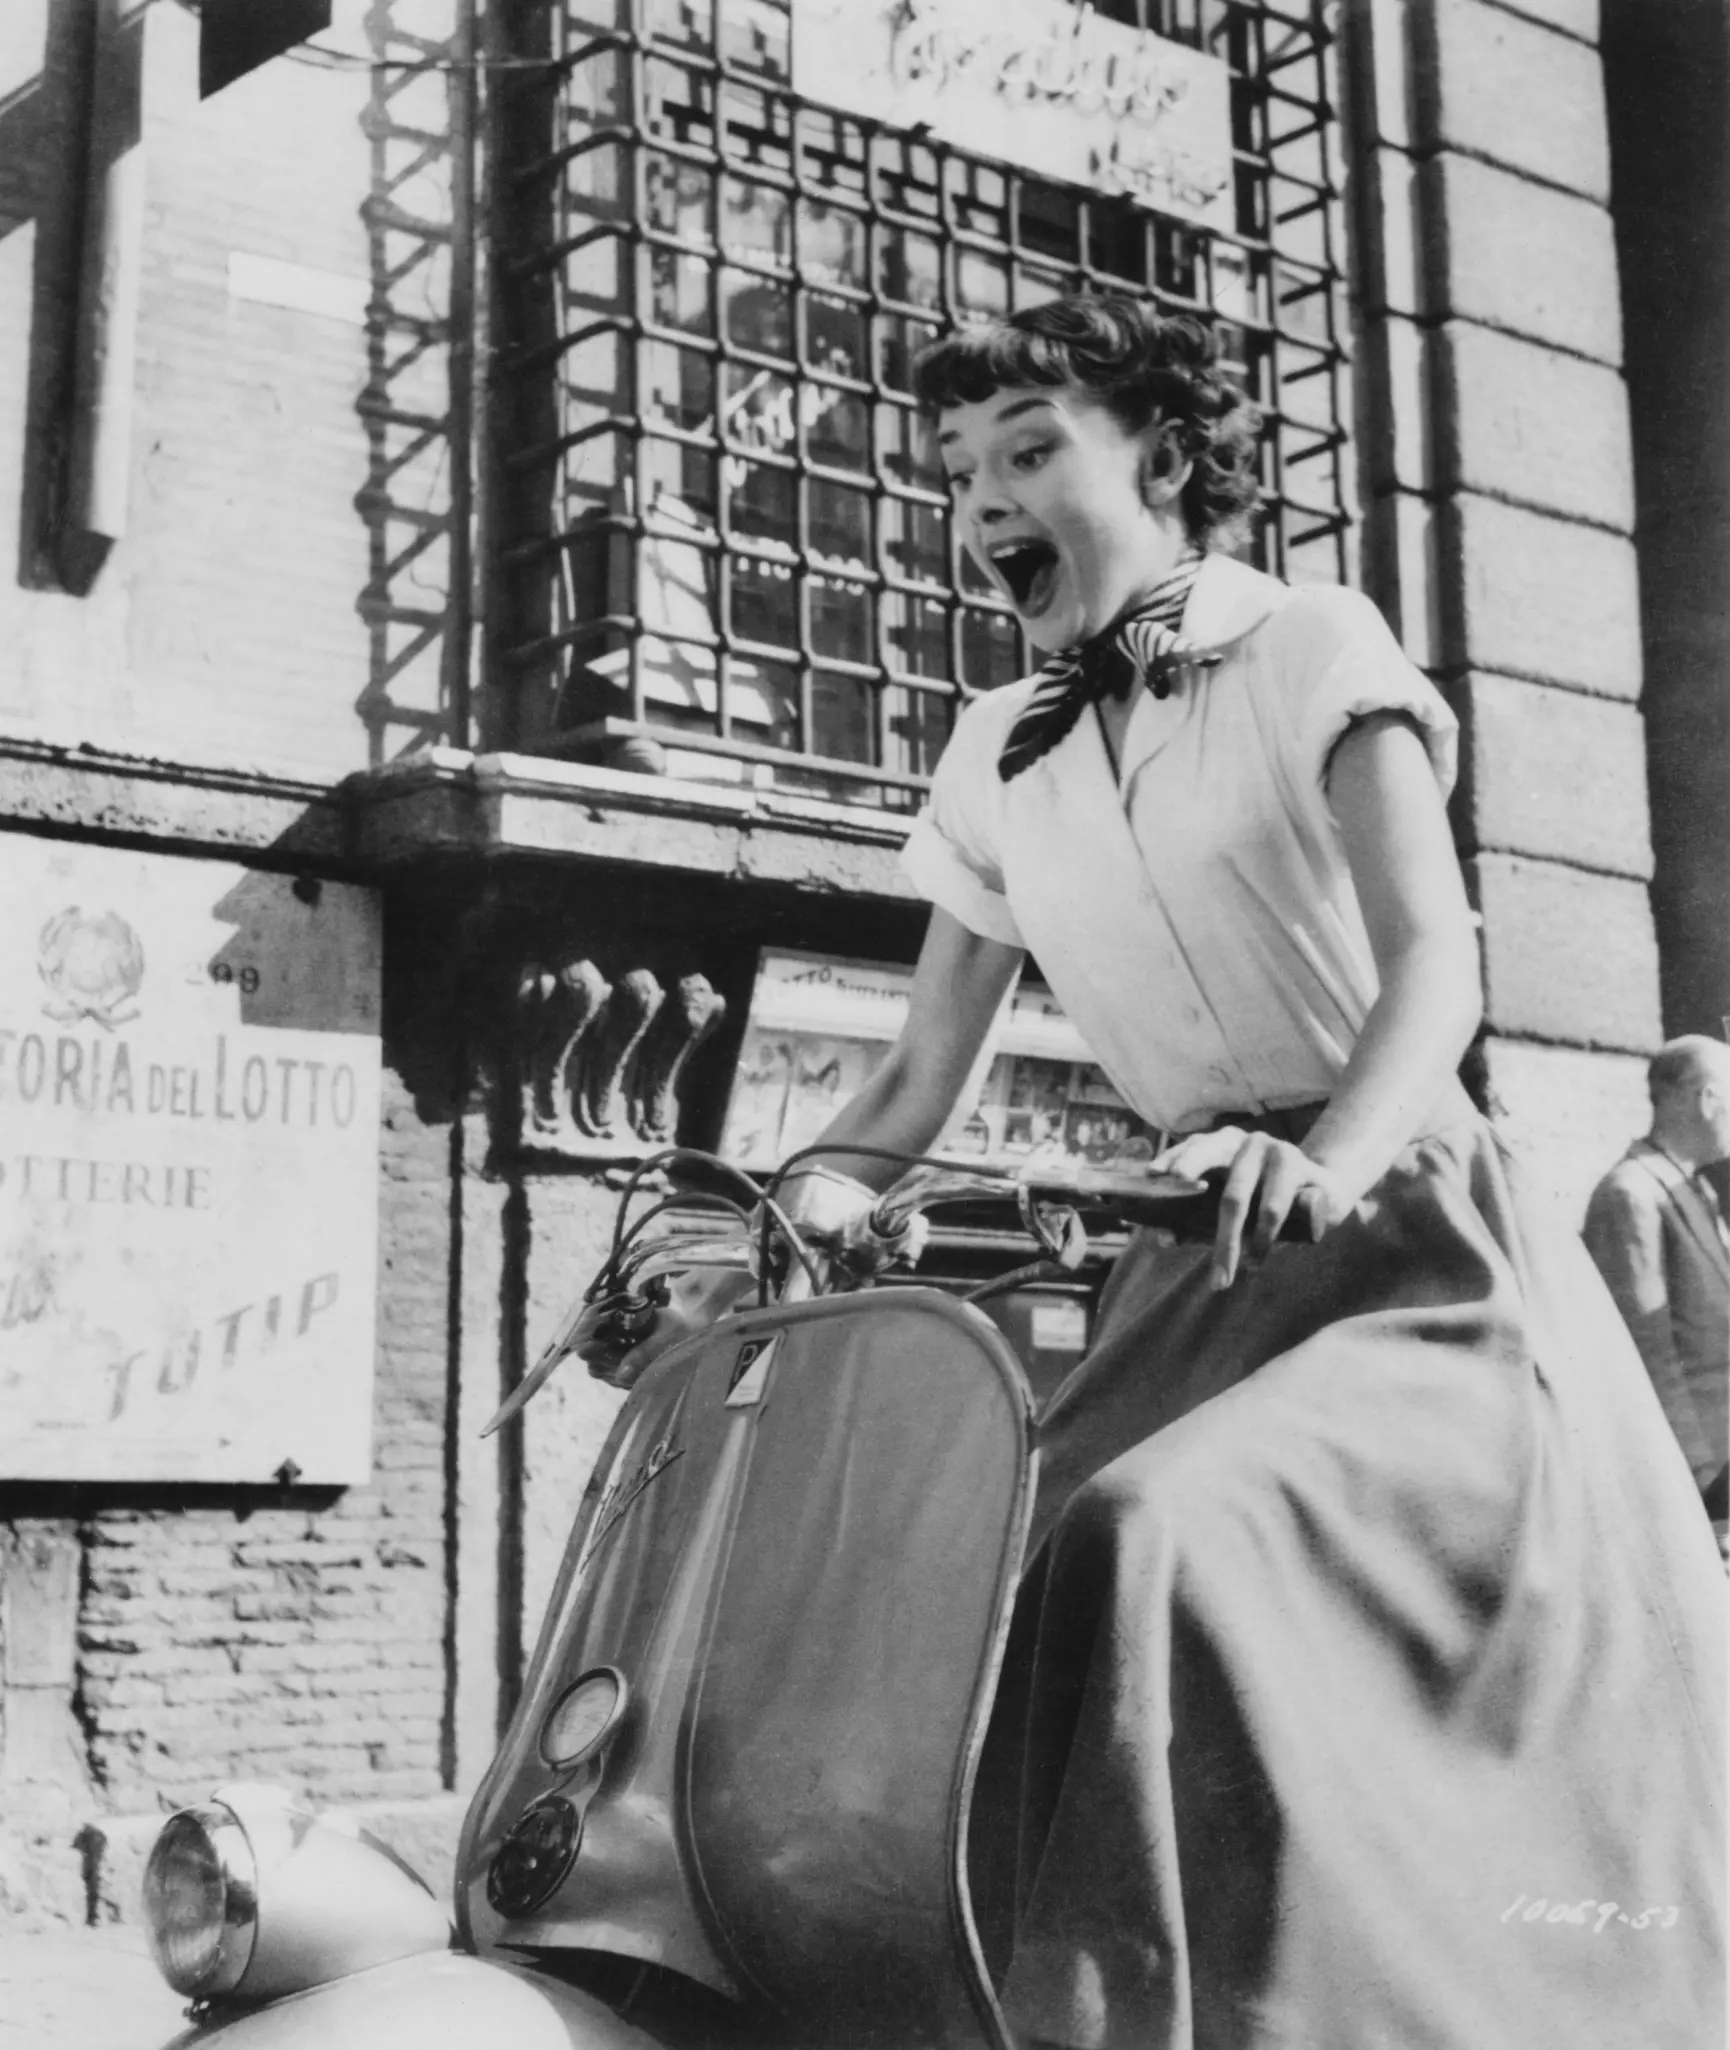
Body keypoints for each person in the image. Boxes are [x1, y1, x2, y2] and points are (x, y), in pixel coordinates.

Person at [778, 294, 1724, 2050]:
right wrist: (782, 1202)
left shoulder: (1310, 643)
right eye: (959, 472)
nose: (985, 500)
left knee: (1154, 1534)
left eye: (1034, 449)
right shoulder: (997, 748)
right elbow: (916, 1071)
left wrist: (1330, 1159)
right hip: (1188, 1256)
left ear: (1167, 453)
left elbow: (1436, 959)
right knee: (972, 1568)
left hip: (1416, 1248)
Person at [1583, 1036, 1730, 1512]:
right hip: (1700, 1466)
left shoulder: (1692, 1187)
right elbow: (1647, 1350)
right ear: (1709, 1101)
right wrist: (1699, 1470)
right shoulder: (1631, 1194)